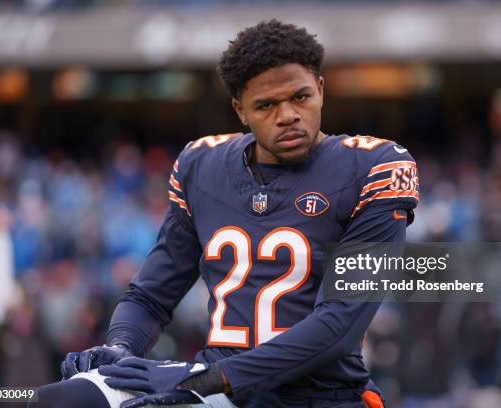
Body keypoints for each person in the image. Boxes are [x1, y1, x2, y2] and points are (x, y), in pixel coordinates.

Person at [32, 19, 419, 408]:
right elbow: (150, 295)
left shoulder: (375, 167)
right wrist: (120, 347)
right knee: (60, 401)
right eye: (266, 105)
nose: (287, 115)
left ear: (320, 90)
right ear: (241, 110)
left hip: (314, 395)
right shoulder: (202, 164)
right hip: (218, 385)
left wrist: (204, 381)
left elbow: (340, 324)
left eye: (299, 97)